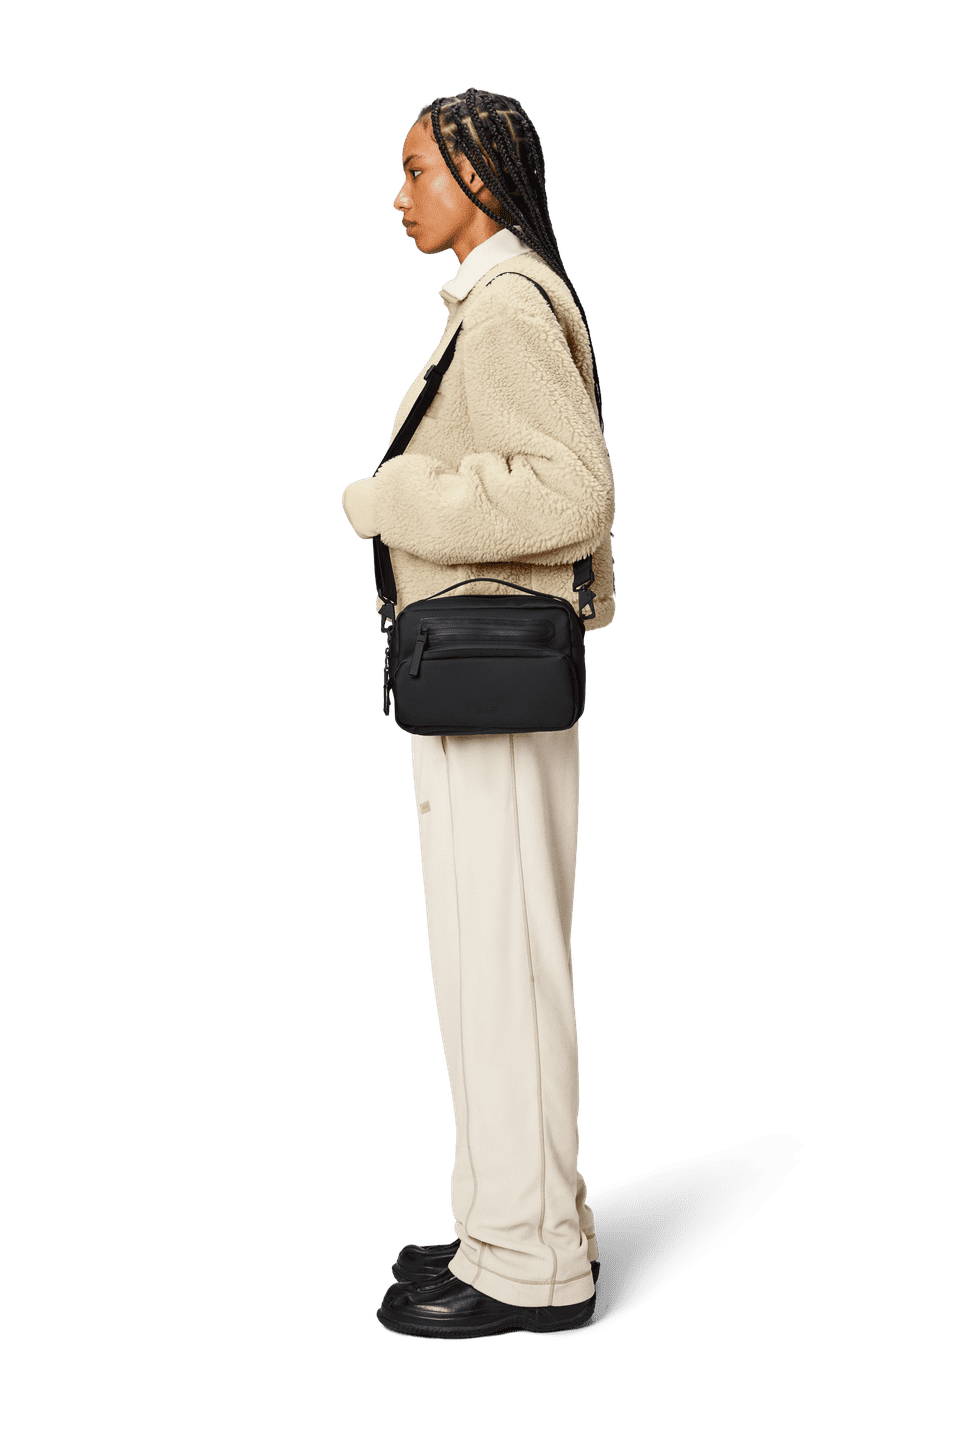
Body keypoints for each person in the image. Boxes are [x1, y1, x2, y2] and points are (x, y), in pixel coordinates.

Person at [341, 88, 617, 1341]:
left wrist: (394, 496)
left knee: (502, 972)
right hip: (480, 684)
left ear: (481, 177)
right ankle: (502, 1230)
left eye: (418, 171)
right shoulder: (496, 302)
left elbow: (573, 495)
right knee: (485, 970)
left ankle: (532, 1267)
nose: (399, 196)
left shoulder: (506, 308)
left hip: (493, 686)